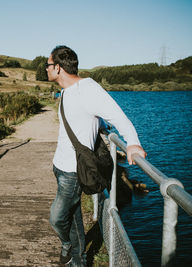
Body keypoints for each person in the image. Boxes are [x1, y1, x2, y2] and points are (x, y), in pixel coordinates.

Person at [46, 45, 146, 266]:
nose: (46, 68)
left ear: (59, 68)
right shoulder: (66, 91)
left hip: (74, 170)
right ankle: (79, 259)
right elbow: (90, 118)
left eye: (48, 64)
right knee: (71, 217)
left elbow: (119, 117)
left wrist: (133, 143)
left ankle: (68, 246)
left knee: (57, 217)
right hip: (60, 166)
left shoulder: (89, 89)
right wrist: (99, 126)